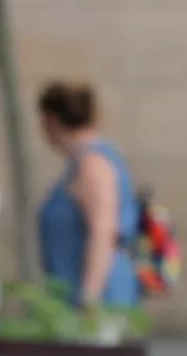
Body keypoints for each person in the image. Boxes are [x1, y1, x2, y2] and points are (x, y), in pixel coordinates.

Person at [36, 81, 142, 314]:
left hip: (97, 298)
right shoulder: (84, 162)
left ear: (51, 121)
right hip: (79, 293)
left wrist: (88, 298)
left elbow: (103, 232)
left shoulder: (92, 164)